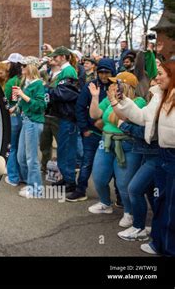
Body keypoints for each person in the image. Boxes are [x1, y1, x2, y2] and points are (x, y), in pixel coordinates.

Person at [113, 61, 175, 255]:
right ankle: (158, 242)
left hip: (170, 156)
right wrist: (121, 102)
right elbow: (141, 117)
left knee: (170, 206)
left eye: (160, 74)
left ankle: (168, 247)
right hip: (163, 154)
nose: (156, 78)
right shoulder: (159, 96)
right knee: (161, 201)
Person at [87, 72, 145, 228]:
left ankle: (129, 213)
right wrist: (94, 97)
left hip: (127, 145)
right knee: (98, 177)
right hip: (106, 141)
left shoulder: (138, 102)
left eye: (115, 83)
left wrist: (113, 100)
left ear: (125, 86)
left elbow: (122, 118)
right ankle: (105, 204)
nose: (112, 85)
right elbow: (94, 115)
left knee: (124, 183)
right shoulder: (108, 99)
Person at [67, 59, 116, 202]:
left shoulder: (118, 86)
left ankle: (119, 196)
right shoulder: (91, 85)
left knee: (116, 165)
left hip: (112, 134)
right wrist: (84, 129)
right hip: (92, 133)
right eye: (100, 72)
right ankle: (80, 190)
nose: (103, 75)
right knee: (86, 162)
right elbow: (80, 107)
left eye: (107, 72)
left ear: (112, 72)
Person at [46, 46, 80, 192]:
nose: (53, 59)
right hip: (63, 115)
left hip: (68, 116)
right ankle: (66, 178)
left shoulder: (69, 71)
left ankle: (70, 181)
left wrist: (48, 90)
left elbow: (64, 93)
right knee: (63, 149)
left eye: (56, 57)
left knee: (67, 149)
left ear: (63, 57)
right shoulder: (65, 71)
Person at [13, 59, 47, 198]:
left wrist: (23, 96)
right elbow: (23, 104)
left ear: (31, 67)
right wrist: (15, 107)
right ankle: (30, 183)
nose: (21, 67)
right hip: (26, 121)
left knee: (31, 158)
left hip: (33, 122)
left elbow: (41, 106)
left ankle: (36, 189)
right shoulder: (26, 83)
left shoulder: (38, 84)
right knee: (21, 156)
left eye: (24, 65)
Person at [3, 53, 24, 187]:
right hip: (22, 116)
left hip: (13, 117)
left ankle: (13, 177)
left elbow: (9, 100)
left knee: (12, 148)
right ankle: (21, 175)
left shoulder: (12, 82)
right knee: (20, 148)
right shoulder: (22, 79)